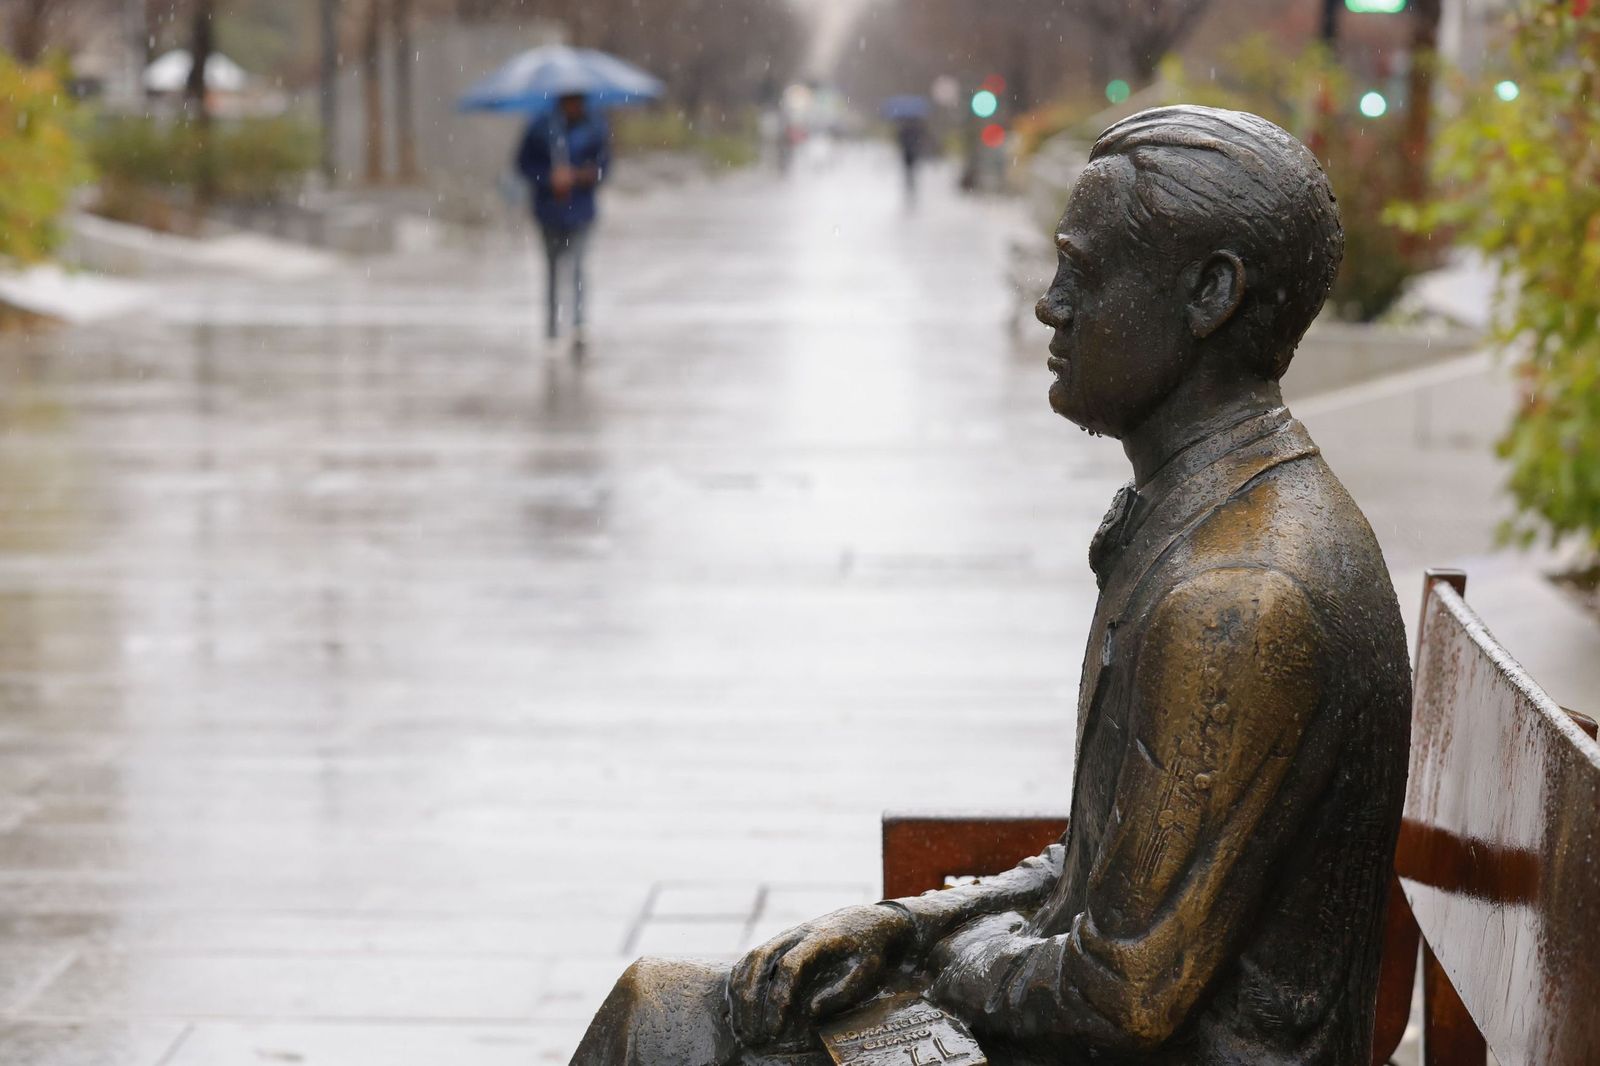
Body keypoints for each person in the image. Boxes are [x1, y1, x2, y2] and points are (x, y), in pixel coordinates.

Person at [569, 106, 1411, 1066]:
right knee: (680, 1014)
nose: (1050, 305)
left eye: (1083, 274)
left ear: (1209, 295)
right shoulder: (1217, 517)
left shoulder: (1239, 596)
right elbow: (1101, 872)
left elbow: (1121, 992)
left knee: (672, 1031)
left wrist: (948, 968)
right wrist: (910, 926)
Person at [516, 93, 611, 345]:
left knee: (579, 267)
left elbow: (604, 167)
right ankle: (551, 327)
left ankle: (579, 324)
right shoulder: (540, 127)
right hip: (549, 211)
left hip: (581, 211)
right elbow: (523, 165)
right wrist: (549, 178)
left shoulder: (595, 127)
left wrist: (582, 176)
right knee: (552, 269)